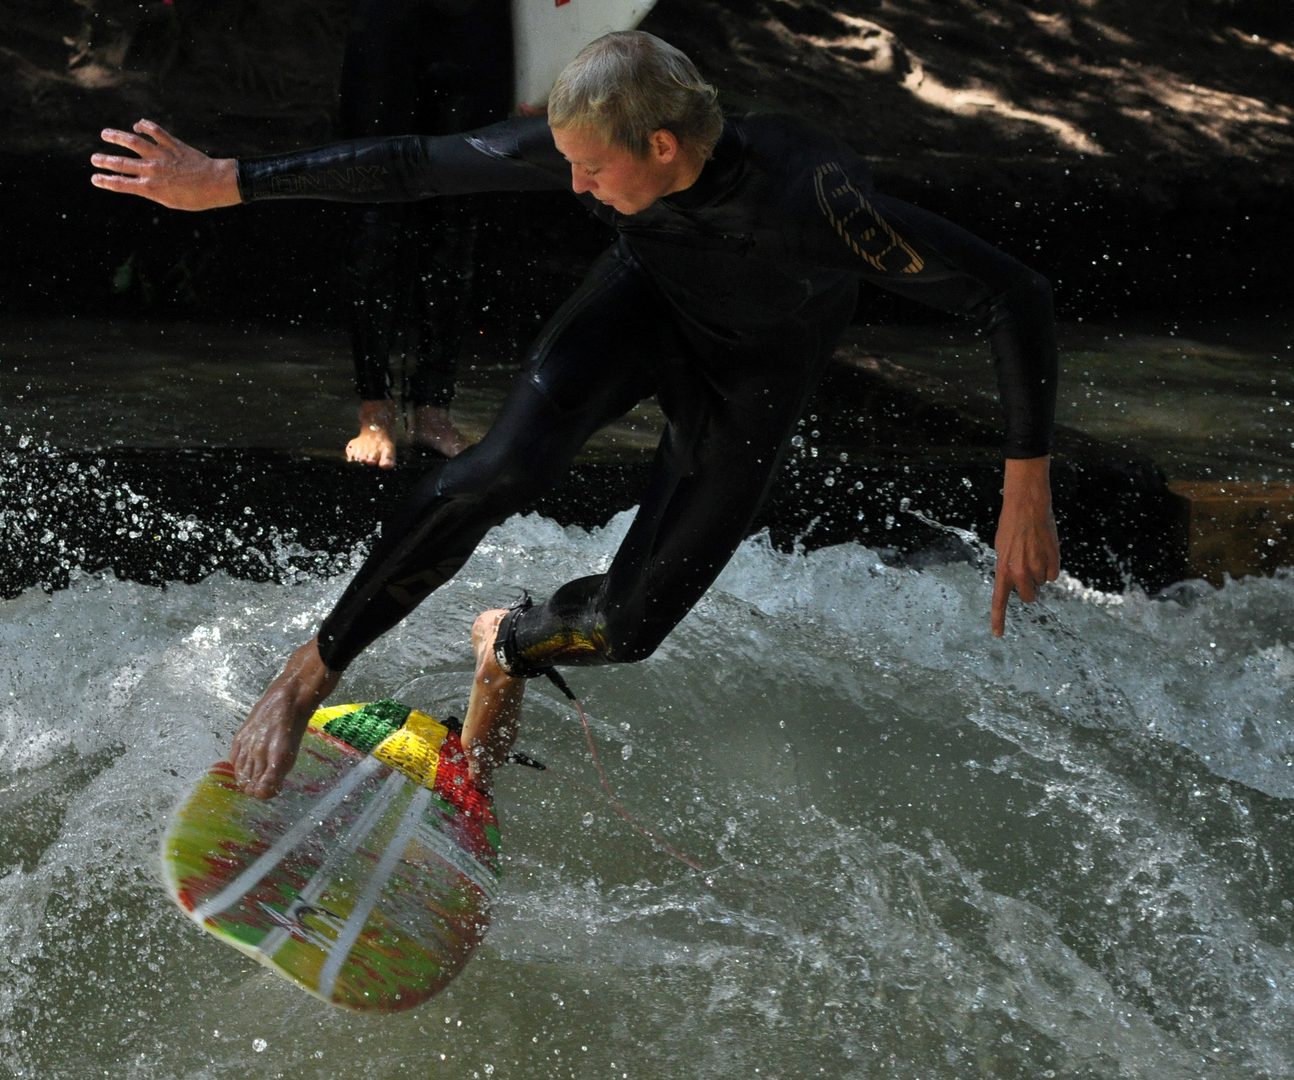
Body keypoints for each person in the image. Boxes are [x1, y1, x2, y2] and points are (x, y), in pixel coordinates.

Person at [91, 31, 1061, 800]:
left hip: (756, 375)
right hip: (643, 305)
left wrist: (1026, 482)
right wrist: (231, 183)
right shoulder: (596, 144)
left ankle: (505, 643)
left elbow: (1008, 293)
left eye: (590, 170)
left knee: (629, 626)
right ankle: (306, 674)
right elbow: (415, 164)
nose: (574, 186)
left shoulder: (815, 200)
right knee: (497, 470)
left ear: (663, 147)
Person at [336, 0, 513, 468]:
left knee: (459, 223)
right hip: (390, 24)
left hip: (480, 24)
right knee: (376, 211)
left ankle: (433, 410)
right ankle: (375, 407)